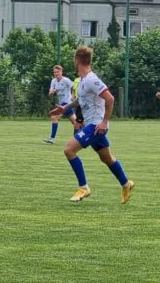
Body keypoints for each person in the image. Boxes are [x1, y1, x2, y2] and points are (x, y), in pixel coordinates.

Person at [49, 46, 135, 203]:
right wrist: (65, 107)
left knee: (69, 150)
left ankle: (84, 187)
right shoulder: (82, 80)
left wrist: (104, 121)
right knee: (107, 158)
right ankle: (126, 184)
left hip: (96, 125)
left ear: (76, 60)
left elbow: (110, 99)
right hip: (92, 124)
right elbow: (80, 100)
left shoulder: (91, 79)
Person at [44, 65, 77, 144]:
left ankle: (52, 138)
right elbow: (50, 92)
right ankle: (83, 136)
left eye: (57, 72)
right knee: (75, 122)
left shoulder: (66, 80)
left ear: (61, 72)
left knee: (54, 116)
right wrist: (52, 92)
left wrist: (73, 96)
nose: (56, 73)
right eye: (55, 72)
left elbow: (75, 87)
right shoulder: (53, 81)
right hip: (61, 103)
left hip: (67, 103)